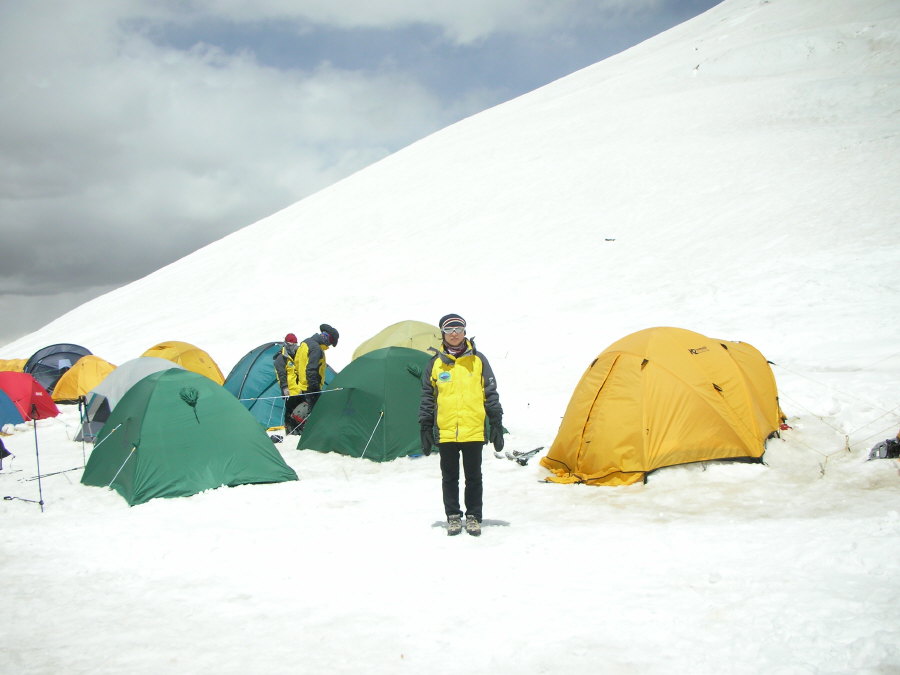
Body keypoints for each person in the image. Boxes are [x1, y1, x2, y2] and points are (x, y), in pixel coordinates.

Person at [418, 313, 503, 537]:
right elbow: (428, 397)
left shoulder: (478, 360)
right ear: (443, 334)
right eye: (449, 329)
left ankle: (474, 516)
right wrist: (425, 426)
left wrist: (496, 420)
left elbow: (490, 392)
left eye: (458, 328)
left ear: (465, 332)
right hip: (446, 430)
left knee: (474, 477)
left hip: (473, 428)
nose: (454, 333)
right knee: (450, 477)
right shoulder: (435, 364)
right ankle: (453, 516)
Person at [274, 324, 339, 434]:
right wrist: (314, 388)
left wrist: (301, 383)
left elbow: (298, 365)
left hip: (301, 387)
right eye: (330, 342)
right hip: (308, 387)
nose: (329, 345)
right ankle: (312, 434)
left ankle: (294, 431)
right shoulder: (316, 349)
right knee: (314, 414)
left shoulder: (305, 343)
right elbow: (311, 369)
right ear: (327, 339)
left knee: (296, 412)